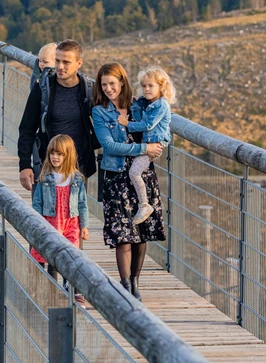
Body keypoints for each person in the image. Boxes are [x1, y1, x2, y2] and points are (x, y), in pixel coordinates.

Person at [91, 62, 166, 299]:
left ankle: (135, 283)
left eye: (112, 83)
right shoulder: (99, 111)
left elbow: (160, 124)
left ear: (122, 82)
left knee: (140, 233)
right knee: (122, 233)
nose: (108, 89)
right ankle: (124, 286)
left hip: (141, 176)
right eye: (103, 85)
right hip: (115, 177)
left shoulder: (139, 106)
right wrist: (145, 147)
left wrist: (160, 145)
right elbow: (110, 146)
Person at [18, 39, 98, 191]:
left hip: (77, 168)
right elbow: (26, 128)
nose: (60, 67)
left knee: (75, 214)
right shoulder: (42, 88)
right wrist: (24, 165)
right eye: (57, 61)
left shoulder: (88, 90)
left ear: (78, 64)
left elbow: (109, 119)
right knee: (41, 215)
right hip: (46, 166)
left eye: (66, 62)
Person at [28, 134, 89, 301]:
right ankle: (51, 290)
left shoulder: (76, 178)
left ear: (68, 155)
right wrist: (36, 224)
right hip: (50, 222)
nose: (55, 157)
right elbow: (37, 203)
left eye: (60, 154)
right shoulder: (45, 178)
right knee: (51, 257)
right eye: (52, 153)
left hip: (70, 222)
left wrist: (84, 225)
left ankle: (73, 289)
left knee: (71, 256)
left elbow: (82, 203)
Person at [120, 67, 176, 224]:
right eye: (144, 86)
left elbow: (148, 124)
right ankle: (142, 203)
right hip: (149, 143)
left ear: (161, 86)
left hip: (154, 144)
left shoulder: (161, 105)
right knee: (134, 170)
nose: (146, 89)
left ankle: (144, 204)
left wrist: (127, 124)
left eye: (151, 86)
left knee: (134, 173)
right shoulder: (150, 102)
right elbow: (140, 109)